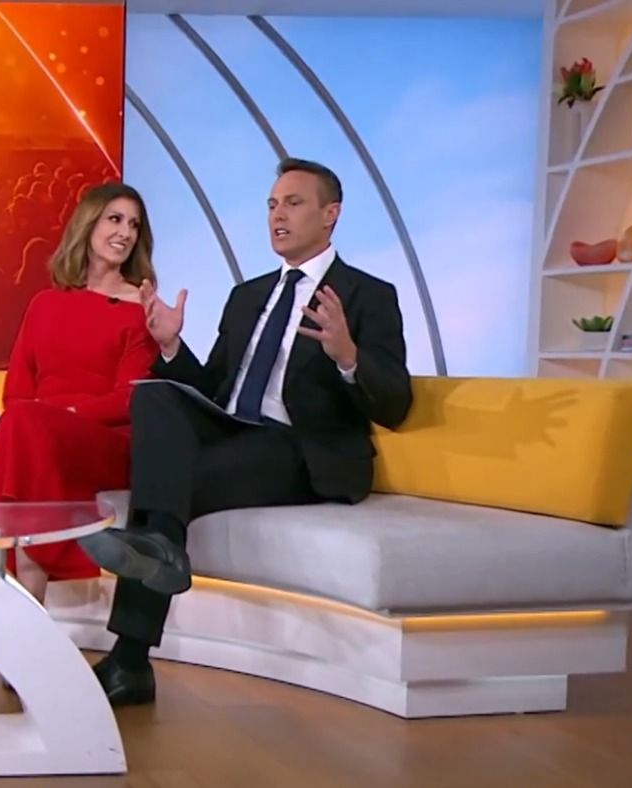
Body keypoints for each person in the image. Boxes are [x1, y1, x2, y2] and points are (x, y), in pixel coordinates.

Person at [78, 158, 414, 706]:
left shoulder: (366, 295)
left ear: (330, 214)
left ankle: (131, 659)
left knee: (165, 490)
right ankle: (157, 557)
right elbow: (212, 389)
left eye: (293, 203)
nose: (278, 215)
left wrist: (348, 356)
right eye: (272, 205)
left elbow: (396, 404)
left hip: (300, 449)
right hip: (232, 430)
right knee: (154, 393)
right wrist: (170, 346)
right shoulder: (247, 296)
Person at [0, 182, 159, 604]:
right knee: (23, 429)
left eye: (134, 225)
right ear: (88, 224)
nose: (125, 232)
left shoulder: (141, 308)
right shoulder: (44, 304)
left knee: (24, 427)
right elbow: (17, 391)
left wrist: (65, 415)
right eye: (115, 219)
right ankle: (25, 605)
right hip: (40, 435)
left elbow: (128, 398)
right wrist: (46, 422)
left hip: (106, 442)